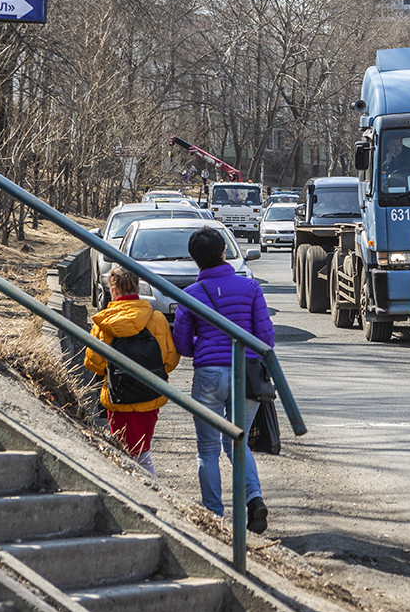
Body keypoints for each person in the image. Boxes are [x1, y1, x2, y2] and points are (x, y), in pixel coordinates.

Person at [173, 226, 272, 534]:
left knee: (207, 449)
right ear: (223, 252)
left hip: (209, 375)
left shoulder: (190, 295)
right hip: (247, 373)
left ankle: (214, 517)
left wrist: (204, 346)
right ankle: (254, 499)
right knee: (237, 442)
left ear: (195, 259)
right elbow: (266, 337)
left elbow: (182, 344)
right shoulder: (250, 288)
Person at [83, 266, 179, 475]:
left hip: (118, 398)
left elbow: (93, 364)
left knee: (124, 451)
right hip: (150, 395)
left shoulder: (104, 323)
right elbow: (170, 360)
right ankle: (149, 487)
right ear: (138, 287)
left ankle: (137, 488)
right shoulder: (156, 319)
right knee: (142, 450)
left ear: (114, 290)